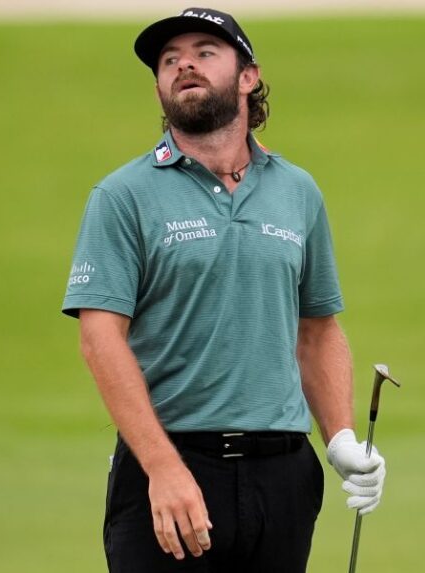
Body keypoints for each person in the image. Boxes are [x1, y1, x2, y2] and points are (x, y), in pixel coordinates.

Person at [62, 7, 387, 572]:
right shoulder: (123, 196)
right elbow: (100, 339)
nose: (183, 64)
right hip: (172, 464)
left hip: (282, 475)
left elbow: (317, 330)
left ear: (248, 77)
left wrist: (339, 440)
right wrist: (162, 468)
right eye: (169, 60)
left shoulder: (297, 191)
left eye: (204, 53)